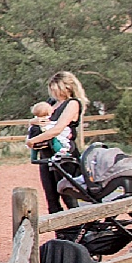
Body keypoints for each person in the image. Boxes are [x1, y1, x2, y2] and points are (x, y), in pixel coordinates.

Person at [27, 72, 88, 214]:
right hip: (46, 155)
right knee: (51, 196)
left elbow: (58, 128)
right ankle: (61, 232)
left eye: (57, 89)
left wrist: (32, 141)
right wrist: (33, 123)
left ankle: (77, 229)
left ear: (67, 87)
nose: (54, 93)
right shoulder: (50, 103)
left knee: (68, 194)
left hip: (63, 153)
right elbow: (37, 120)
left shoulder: (72, 103)